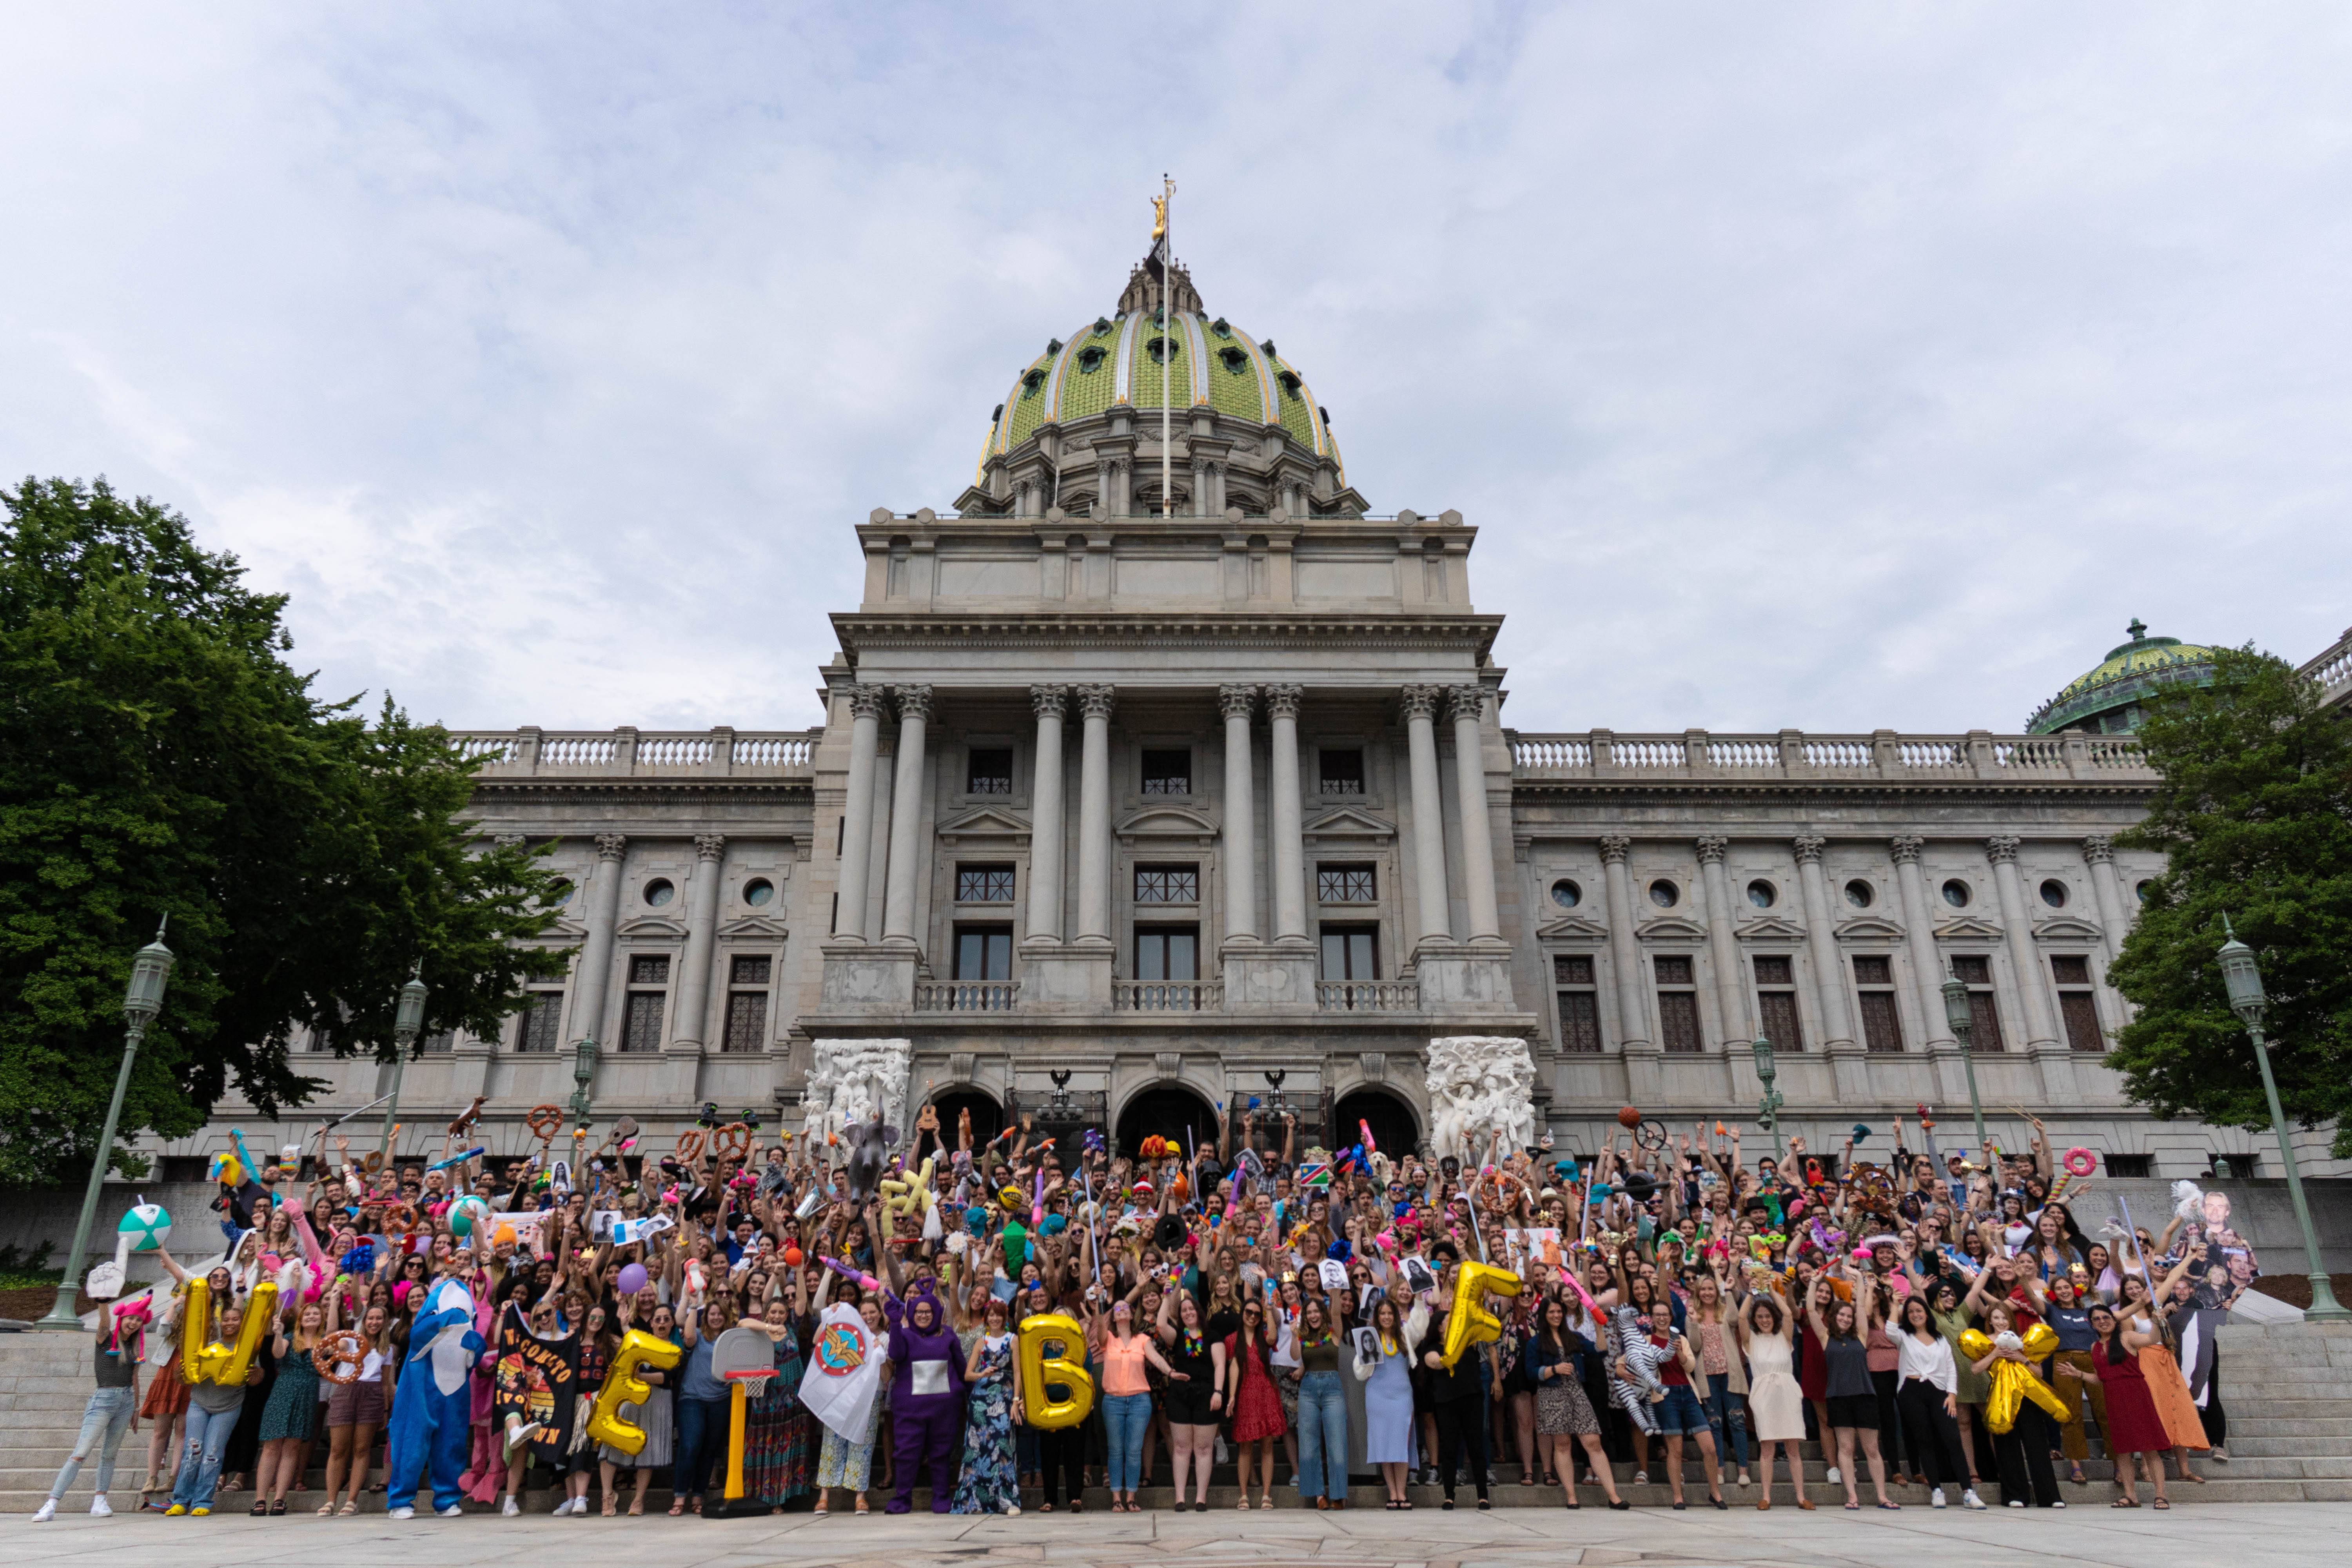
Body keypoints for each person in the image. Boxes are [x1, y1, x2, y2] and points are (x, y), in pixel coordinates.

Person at [32, 1297, 148, 1522]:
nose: (133, 1323)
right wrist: (103, 1301)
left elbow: (135, 1378)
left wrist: (136, 1407)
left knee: (110, 1454)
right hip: (103, 1399)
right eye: (130, 1318)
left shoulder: (135, 1347)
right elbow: (104, 1323)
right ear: (122, 1318)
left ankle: (100, 1500)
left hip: (125, 1402)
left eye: (138, 1320)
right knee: (80, 1454)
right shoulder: (106, 1339)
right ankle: (51, 1504)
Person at [1624, 1298, 1726, 1510]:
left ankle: (1715, 1492)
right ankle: (1678, 1496)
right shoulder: (1646, 1340)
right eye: (1658, 1315)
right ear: (1652, 1319)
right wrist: (1620, 1369)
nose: (1662, 1318)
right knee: (1676, 1450)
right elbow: (1626, 1358)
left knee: (1709, 1448)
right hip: (1665, 1397)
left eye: (1665, 1315)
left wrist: (1679, 1352)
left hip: (1688, 1393)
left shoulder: (1680, 1338)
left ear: (1671, 1318)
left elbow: (1690, 1366)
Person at [1526, 1294, 1624, 1509]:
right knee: (1563, 1445)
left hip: (1576, 1392)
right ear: (1544, 1315)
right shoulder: (1536, 1342)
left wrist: (1599, 1326)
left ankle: (1614, 1496)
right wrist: (1554, 1370)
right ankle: (1571, 1496)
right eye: (1551, 1312)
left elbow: (1600, 1351)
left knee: (1593, 1442)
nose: (1556, 1315)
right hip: (1552, 1394)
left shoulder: (1575, 1337)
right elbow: (1531, 1372)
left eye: (1559, 1311)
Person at [1808, 1286, 1896, 1510]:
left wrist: (1859, 1279)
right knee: (1846, 1448)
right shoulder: (1826, 1337)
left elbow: (1862, 1310)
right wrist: (1814, 1282)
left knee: (1872, 1449)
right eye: (1842, 1315)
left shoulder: (1861, 1336)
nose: (1846, 1319)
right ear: (1833, 1317)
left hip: (1865, 1396)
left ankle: (1882, 1497)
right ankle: (1852, 1497)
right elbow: (1810, 1309)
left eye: (1849, 1316)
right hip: (1839, 1398)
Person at [1968, 1301, 2063, 1509]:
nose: (2001, 1322)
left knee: (2037, 1445)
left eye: (2004, 1318)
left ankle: (2050, 1496)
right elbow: (1975, 1369)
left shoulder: (2022, 1342)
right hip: (2000, 1399)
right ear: (1990, 1321)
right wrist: (1995, 1354)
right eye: (1996, 1318)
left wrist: (2022, 1359)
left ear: (2010, 1320)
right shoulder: (1985, 1342)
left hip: (2027, 1397)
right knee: (2007, 1447)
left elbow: (2039, 1373)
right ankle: (2016, 1495)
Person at [1893, 1294, 1984, 1509]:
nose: (1916, 1315)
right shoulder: (1903, 1335)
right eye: (1911, 1312)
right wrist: (1894, 1304)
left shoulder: (1941, 1339)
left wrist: (1952, 1394)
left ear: (1927, 1313)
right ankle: (1936, 1490)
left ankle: (1968, 1491)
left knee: (1953, 1440)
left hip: (1939, 1392)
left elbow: (1950, 1367)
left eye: (1919, 1311)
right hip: (1911, 1391)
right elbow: (1889, 1329)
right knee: (1925, 1441)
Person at [1421, 1266, 1494, 1511]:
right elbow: (1432, 1362)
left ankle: (1483, 1495)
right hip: (1447, 1401)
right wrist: (1447, 1359)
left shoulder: (1469, 1339)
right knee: (1450, 1448)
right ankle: (1449, 1495)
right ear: (1440, 1327)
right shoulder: (1433, 1347)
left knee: (1476, 1446)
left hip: (1472, 1397)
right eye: (1448, 1320)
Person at [2090, 1302, 2172, 1509]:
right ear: (2092, 1324)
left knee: (2149, 1448)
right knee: (2123, 1451)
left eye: (2106, 1317)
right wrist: (2079, 1374)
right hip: (2114, 1398)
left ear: (2114, 1319)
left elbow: (2152, 1339)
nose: (2102, 1321)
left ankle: (2161, 1495)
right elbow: (2102, 1377)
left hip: (2136, 1394)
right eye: (2097, 1319)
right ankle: (2131, 1496)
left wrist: (2156, 1322)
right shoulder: (2095, 1347)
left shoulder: (2126, 1337)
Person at [1097, 1298, 1175, 1512]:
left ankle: (1131, 1497)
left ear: (1132, 1315)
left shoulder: (1142, 1339)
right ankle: (1116, 1498)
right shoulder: (1109, 1339)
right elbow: (1100, 1329)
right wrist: (1099, 1302)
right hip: (1113, 1400)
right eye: (1117, 1309)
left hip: (1139, 1400)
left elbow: (1157, 1358)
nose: (1121, 1311)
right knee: (1115, 1450)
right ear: (1113, 1316)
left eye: (1126, 1308)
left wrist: (1170, 1371)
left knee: (1133, 1450)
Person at [1737, 1292, 1810, 1510]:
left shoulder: (1784, 1337)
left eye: (1768, 1316)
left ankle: (1801, 1496)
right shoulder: (1751, 1340)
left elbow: (1788, 1313)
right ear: (1755, 1319)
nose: (1765, 1320)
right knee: (1767, 1448)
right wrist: (1751, 1293)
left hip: (1787, 1392)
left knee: (1793, 1449)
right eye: (1760, 1317)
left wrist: (1769, 1288)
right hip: (1764, 1395)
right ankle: (1766, 1497)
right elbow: (1741, 1318)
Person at [949, 1296, 1021, 1515]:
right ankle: (975, 1501)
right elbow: (968, 1375)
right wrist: (983, 1373)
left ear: (1004, 1317)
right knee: (977, 1449)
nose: (995, 1318)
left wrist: (1016, 1401)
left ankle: (1007, 1501)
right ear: (986, 1318)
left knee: (1003, 1446)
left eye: (999, 1314)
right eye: (991, 1315)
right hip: (980, 1400)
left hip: (1004, 1396)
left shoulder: (1013, 1339)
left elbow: (1018, 1372)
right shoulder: (982, 1342)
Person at [1155, 1285, 1223, 1511]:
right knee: (1182, 1448)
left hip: (1206, 1394)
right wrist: (1166, 1298)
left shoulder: (1213, 1336)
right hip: (1180, 1395)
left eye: (1191, 1309)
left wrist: (1218, 1392)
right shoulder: (1177, 1336)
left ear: (1199, 1312)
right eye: (1183, 1310)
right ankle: (1180, 1498)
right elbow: (1161, 1325)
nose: (1188, 1313)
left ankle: (1201, 1498)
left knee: (1203, 1448)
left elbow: (1220, 1365)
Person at [253, 1299, 323, 1515]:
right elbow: (277, 1355)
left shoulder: (325, 1342)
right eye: (307, 1314)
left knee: (293, 1447)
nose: (311, 1317)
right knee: (272, 1446)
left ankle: (280, 1498)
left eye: (316, 1314)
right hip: (284, 1390)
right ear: (300, 1319)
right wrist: (277, 1333)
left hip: (308, 1393)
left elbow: (343, 1347)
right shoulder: (289, 1338)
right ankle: (260, 1498)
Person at [1356, 1294, 1425, 1509]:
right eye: (1382, 1313)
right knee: (1385, 1444)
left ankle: (1403, 1493)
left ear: (1395, 1316)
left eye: (1389, 1313)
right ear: (1377, 1316)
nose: (1386, 1317)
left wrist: (1420, 1299)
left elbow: (1420, 1328)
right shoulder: (1370, 1337)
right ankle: (1393, 1493)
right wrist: (1367, 1357)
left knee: (1401, 1445)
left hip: (1402, 1397)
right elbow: (1360, 1372)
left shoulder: (1405, 1336)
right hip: (1377, 1396)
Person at [1224, 1293, 1287, 1509]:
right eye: (1248, 1312)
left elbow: (1273, 1338)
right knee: (1245, 1447)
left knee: (1268, 1445)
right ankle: (1244, 1495)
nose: (1252, 1316)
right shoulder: (1232, 1339)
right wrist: (1232, 1396)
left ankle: (1266, 1495)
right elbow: (1234, 1367)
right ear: (1242, 1314)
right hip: (1245, 1392)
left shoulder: (1265, 1336)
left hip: (1266, 1391)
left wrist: (1269, 1309)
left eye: (1256, 1314)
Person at [1292, 1293, 1350, 1510]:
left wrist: (1334, 1287)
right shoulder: (1303, 1335)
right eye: (1309, 1312)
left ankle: (1338, 1495)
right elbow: (1294, 1355)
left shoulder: (1333, 1333)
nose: (1313, 1315)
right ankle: (1318, 1495)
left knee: (1337, 1444)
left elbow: (1336, 1312)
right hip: (1308, 1390)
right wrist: (1293, 1334)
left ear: (1322, 1314)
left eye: (1317, 1311)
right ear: (1305, 1317)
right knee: (1308, 1445)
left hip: (1332, 1389)